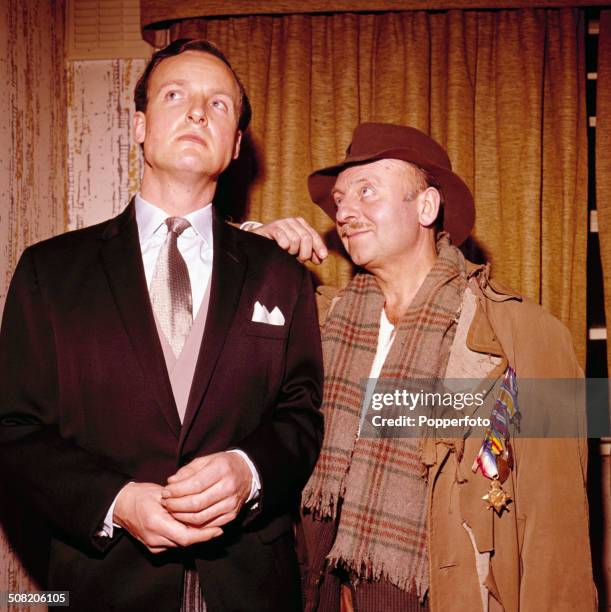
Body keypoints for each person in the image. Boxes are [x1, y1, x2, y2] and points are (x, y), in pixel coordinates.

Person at [0, 39, 323, 612]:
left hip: (253, 588)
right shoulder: (48, 271)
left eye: (219, 104)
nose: (199, 111)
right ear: (141, 126)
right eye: (177, 95)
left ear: (236, 144)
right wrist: (116, 501)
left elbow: (300, 417)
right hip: (101, 587)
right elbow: (13, 428)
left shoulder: (282, 275)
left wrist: (249, 472)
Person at [250, 123, 597, 611]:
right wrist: (251, 244)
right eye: (340, 199)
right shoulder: (318, 321)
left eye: (366, 192)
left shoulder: (528, 336)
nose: (344, 212)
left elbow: (557, 533)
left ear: (427, 207)